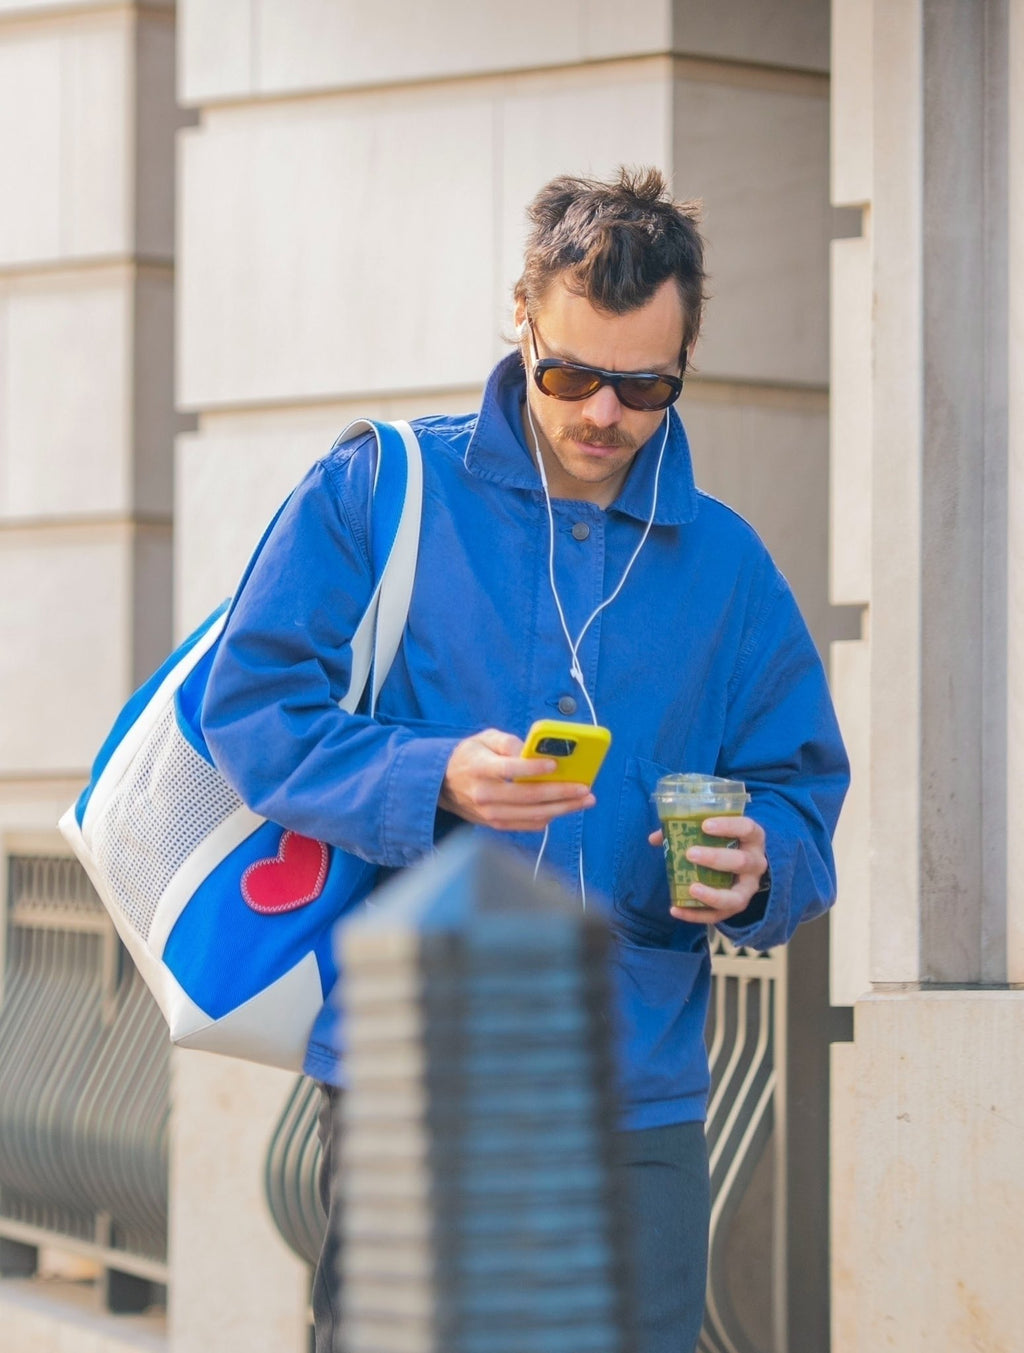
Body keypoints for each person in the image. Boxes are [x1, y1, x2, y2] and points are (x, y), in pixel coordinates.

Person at [201, 166, 849, 1353]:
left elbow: (801, 793)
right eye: (572, 375)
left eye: (645, 386)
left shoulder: (732, 569)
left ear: (685, 359)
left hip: (635, 1095)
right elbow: (248, 710)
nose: (605, 414)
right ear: (523, 319)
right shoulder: (378, 492)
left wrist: (762, 867)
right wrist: (431, 778)